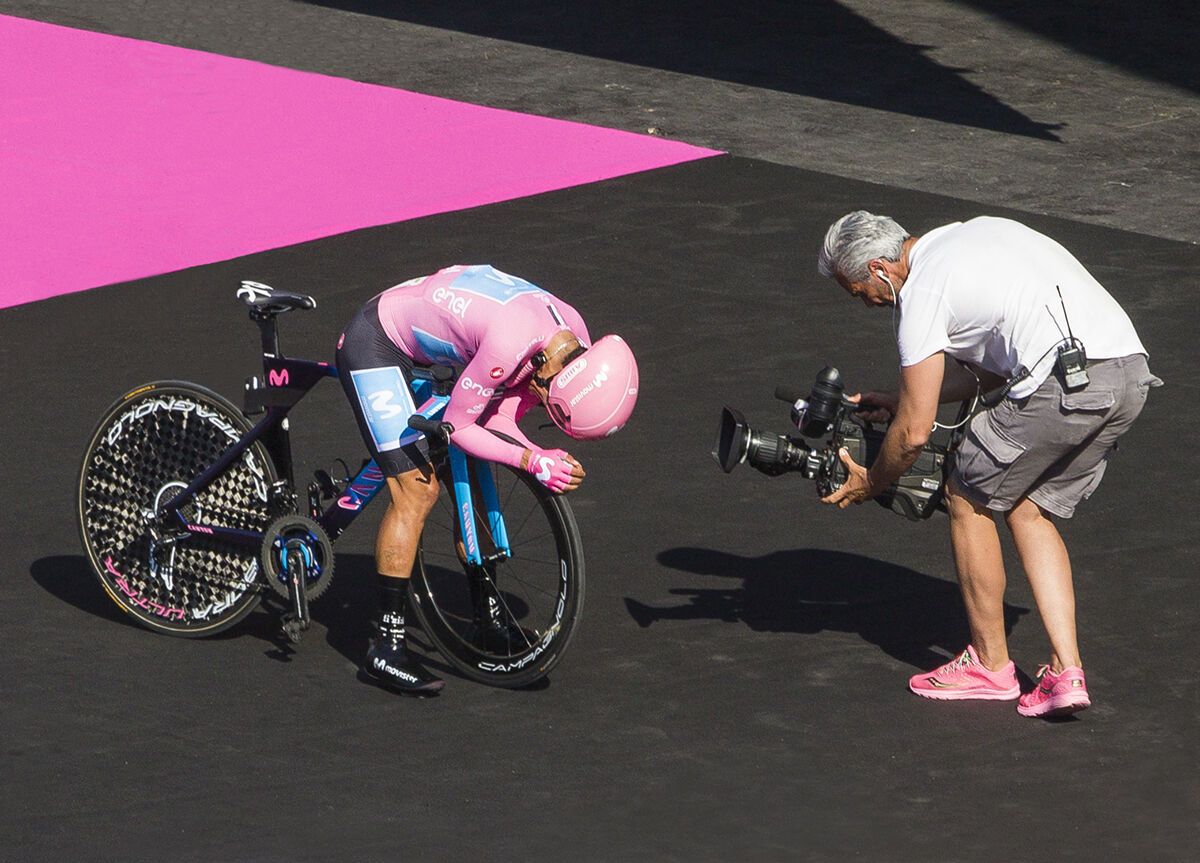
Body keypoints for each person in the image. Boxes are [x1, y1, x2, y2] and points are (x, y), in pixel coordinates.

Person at [815, 212, 1161, 718]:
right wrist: (899, 397)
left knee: (965, 493)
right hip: (1127, 376)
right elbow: (990, 371)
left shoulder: (923, 291)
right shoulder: (968, 235)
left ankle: (989, 665)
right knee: (1027, 509)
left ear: (879, 268)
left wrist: (872, 480)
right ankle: (1066, 673)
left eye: (859, 292)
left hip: (1063, 386)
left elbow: (913, 434)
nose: (866, 303)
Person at [336, 265, 639, 694]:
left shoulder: (574, 340)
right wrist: (532, 460)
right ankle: (386, 647)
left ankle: (487, 619)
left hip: (450, 340)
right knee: (417, 491)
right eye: (549, 404)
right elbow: (461, 426)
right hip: (378, 341)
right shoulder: (509, 345)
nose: (542, 403)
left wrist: (533, 455)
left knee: (475, 463)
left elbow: (499, 419)